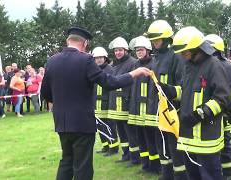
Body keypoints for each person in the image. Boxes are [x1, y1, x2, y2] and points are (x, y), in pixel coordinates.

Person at [41, 27, 150, 180]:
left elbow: (45, 93)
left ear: (67, 41)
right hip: (82, 123)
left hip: (61, 122)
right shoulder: (86, 60)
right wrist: (134, 73)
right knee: (83, 165)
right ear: (85, 43)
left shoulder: (52, 61)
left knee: (66, 160)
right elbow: (109, 82)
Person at [160, 27, 230, 180]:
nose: (182, 55)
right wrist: (170, 90)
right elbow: (186, 92)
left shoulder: (214, 65)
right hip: (188, 135)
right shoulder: (188, 66)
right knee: (193, 175)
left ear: (196, 48)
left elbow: (222, 98)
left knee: (211, 175)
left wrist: (200, 113)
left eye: (184, 52)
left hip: (206, 136)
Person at [145, 19, 188, 180]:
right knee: (161, 143)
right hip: (158, 110)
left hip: (172, 110)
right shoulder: (156, 58)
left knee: (174, 146)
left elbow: (181, 86)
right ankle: (166, 174)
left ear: (166, 38)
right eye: (153, 39)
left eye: (157, 39)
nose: (154, 42)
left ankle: (180, 176)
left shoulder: (176, 57)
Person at [128, 36, 161, 173]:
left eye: (141, 50)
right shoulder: (135, 65)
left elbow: (154, 90)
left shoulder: (154, 64)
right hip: (137, 110)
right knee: (141, 139)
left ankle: (155, 167)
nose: (139, 52)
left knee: (151, 140)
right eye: (137, 50)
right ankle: (145, 165)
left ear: (148, 50)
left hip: (149, 111)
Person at [205, 34, 231, 180]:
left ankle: (228, 172)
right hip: (213, 109)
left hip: (222, 111)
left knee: (225, 142)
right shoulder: (211, 63)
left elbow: (226, 91)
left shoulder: (223, 65)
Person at [107, 36, 140, 165]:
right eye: (115, 51)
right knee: (122, 132)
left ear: (126, 50)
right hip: (116, 106)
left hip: (127, 104)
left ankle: (135, 157)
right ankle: (126, 154)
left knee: (131, 133)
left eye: (120, 50)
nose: (117, 53)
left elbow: (133, 84)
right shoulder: (115, 65)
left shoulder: (133, 63)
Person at [92, 47, 119, 156]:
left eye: (100, 57)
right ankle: (105, 146)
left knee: (109, 126)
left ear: (105, 58)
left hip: (107, 103)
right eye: (96, 58)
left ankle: (113, 147)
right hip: (96, 104)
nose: (98, 60)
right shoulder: (93, 70)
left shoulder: (110, 70)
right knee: (100, 126)